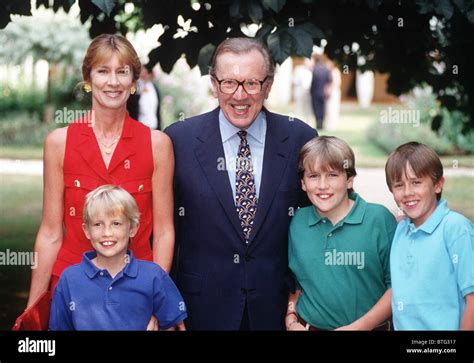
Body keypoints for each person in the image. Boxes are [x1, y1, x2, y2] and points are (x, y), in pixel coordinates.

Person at [164, 37, 316, 330]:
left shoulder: (300, 138)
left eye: (251, 83)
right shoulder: (178, 140)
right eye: (229, 83)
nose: (240, 95)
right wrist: (165, 302)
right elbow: (163, 231)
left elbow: (317, 223)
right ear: (213, 83)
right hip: (199, 311)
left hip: (278, 312)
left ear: (268, 85)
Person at [26, 34, 175, 330]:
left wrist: (157, 301)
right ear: (88, 78)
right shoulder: (59, 143)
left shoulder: (157, 144)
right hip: (70, 290)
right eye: (103, 71)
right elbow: (50, 233)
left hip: (136, 290)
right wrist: (32, 312)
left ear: (134, 81)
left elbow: (164, 232)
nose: (113, 82)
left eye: (122, 72)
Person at [286, 136, 396, 331]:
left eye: (332, 175)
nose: (322, 185)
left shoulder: (379, 220)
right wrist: (291, 316)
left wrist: (359, 327)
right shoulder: (297, 223)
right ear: (303, 183)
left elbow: (397, 287)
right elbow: (296, 284)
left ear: (349, 180)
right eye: (313, 176)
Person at [49, 185, 186, 330]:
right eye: (97, 224)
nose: (107, 232)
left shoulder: (153, 276)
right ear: (87, 230)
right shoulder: (69, 279)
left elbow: (172, 325)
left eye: (116, 223)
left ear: (132, 228)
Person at [385, 142, 474, 330]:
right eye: (399, 185)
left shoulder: (455, 229)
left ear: (438, 184)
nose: (408, 192)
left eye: (417, 182)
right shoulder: (401, 230)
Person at [127, 64, 162, 130]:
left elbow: (157, 110)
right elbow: (130, 103)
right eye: (142, 71)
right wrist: (139, 93)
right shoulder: (134, 87)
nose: (144, 74)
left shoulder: (154, 88)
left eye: (147, 71)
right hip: (138, 126)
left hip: (153, 126)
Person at [310, 54, 332, 130]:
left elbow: (313, 82)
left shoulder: (315, 69)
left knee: (316, 108)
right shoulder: (326, 69)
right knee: (322, 108)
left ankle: (318, 123)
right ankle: (321, 123)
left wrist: (311, 91)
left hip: (315, 92)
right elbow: (329, 81)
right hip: (323, 93)